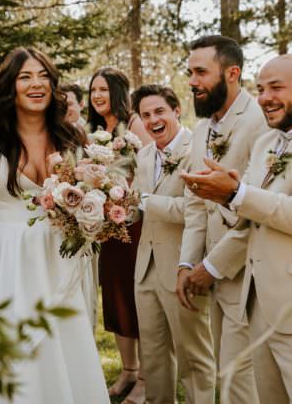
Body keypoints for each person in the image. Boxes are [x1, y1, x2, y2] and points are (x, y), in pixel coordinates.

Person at [181, 54, 292, 403]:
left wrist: (236, 193)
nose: (265, 97)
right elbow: (255, 216)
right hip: (262, 310)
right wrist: (229, 196)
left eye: (276, 87)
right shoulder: (267, 142)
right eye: (261, 88)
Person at [0, 47, 109, 403]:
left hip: (61, 257)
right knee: (15, 351)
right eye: (25, 77)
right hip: (7, 259)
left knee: (65, 344)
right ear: (10, 86)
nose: (36, 84)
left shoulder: (73, 139)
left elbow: (93, 201)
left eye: (43, 76)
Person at [176, 35, 267, 403]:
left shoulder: (260, 123)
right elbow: (195, 204)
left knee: (240, 382)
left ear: (232, 73)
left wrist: (212, 266)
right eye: (190, 72)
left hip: (249, 273)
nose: (192, 81)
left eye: (201, 72)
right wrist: (186, 262)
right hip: (212, 275)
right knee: (225, 376)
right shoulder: (200, 130)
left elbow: (260, 211)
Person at [130, 85, 216, 404]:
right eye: (146, 114)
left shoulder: (199, 150)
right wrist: (108, 208)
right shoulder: (143, 154)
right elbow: (137, 209)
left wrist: (144, 201)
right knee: (153, 358)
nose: (153, 120)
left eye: (159, 111)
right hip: (146, 268)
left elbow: (196, 210)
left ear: (177, 110)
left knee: (194, 358)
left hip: (183, 265)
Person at [87, 67, 151, 403]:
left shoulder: (135, 125)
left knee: (135, 294)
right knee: (115, 296)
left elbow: (149, 168)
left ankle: (144, 379)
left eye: (103, 89)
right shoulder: (94, 130)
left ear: (118, 92)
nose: (97, 96)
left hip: (134, 223)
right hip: (106, 225)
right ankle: (127, 369)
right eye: (93, 90)